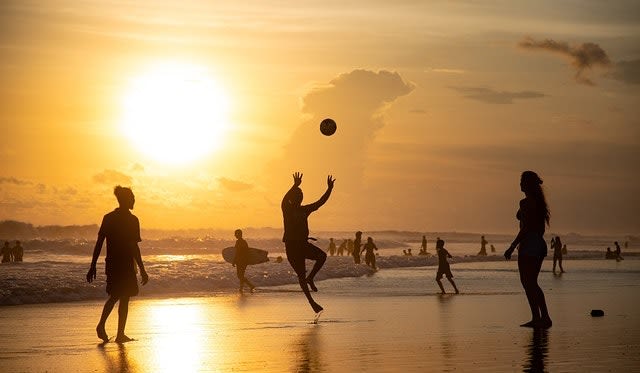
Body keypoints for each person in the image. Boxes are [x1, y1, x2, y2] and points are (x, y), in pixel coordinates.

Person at [87, 186, 149, 343]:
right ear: (125, 199)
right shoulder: (127, 220)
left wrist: (93, 265)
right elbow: (132, 246)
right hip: (120, 264)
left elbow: (101, 243)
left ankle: (120, 334)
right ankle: (102, 325)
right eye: (132, 197)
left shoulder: (113, 218)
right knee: (116, 295)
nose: (134, 200)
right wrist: (142, 269)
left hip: (122, 263)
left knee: (123, 297)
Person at [504, 171, 552, 329]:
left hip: (529, 244)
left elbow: (525, 228)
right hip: (538, 243)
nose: (520, 184)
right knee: (533, 283)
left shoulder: (526, 203)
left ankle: (537, 317)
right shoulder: (538, 202)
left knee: (527, 283)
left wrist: (512, 246)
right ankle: (543, 317)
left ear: (527, 184)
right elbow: (537, 227)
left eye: (522, 181)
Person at [281, 172, 334, 314]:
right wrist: (294, 186)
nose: (300, 196)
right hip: (292, 247)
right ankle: (311, 302)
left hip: (303, 245)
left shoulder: (305, 209)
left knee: (322, 256)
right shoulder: (287, 209)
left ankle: (311, 278)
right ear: (292, 198)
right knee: (300, 275)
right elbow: (284, 200)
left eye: (301, 195)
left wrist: (329, 189)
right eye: (297, 195)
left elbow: (320, 202)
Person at [232, 229, 255, 294]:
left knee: (239, 275)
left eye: (236, 234)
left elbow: (237, 252)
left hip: (240, 261)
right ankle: (241, 288)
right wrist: (247, 260)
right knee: (241, 275)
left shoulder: (238, 242)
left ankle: (251, 285)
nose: (234, 235)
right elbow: (247, 252)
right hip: (244, 261)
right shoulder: (244, 242)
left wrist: (234, 261)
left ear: (239, 234)